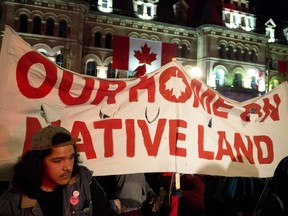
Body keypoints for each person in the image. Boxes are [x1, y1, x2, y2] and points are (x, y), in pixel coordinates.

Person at [0, 125, 121, 216]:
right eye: (58, 161)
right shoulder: (13, 203)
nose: (68, 167)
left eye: (71, 157)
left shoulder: (83, 179)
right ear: (38, 162)